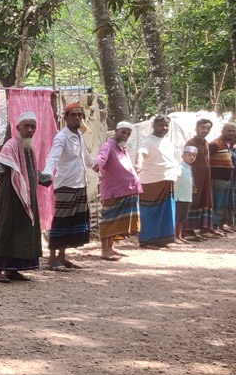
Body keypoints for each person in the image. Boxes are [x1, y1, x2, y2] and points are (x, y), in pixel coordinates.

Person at [0, 112, 52, 282]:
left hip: (27, 196)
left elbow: (30, 171)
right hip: (12, 197)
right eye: (26, 126)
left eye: (33, 127)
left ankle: (13, 269)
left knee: (23, 231)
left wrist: (44, 178)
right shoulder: (11, 145)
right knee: (7, 229)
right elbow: (2, 163)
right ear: (18, 128)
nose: (30, 130)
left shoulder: (28, 148)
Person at [43, 102, 91, 269]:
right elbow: (53, 157)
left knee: (72, 221)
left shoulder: (79, 135)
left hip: (79, 183)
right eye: (73, 115)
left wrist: (97, 165)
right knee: (61, 220)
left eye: (79, 115)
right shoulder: (61, 137)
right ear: (65, 118)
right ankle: (51, 258)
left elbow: (86, 157)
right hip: (66, 184)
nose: (77, 118)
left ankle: (62, 256)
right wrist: (48, 173)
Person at [92, 121, 142, 261]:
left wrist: (133, 167)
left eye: (128, 133)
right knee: (109, 219)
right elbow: (101, 158)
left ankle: (111, 247)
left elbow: (119, 164)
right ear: (116, 131)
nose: (125, 135)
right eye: (123, 132)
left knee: (116, 221)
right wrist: (96, 164)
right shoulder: (108, 146)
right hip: (113, 190)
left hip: (125, 189)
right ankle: (104, 250)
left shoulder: (121, 148)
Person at [133, 115, 179, 249]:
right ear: (153, 126)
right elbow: (141, 153)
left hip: (167, 179)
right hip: (152, 181)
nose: (164, 128)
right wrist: (139, 165)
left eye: (166, 125)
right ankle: (146, 240)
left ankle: (161, 239)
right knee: (150, 210)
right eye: (161, 125)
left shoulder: (167, 141)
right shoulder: (147, 141)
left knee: (166, 210)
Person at [183, 118, 217, 240]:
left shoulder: (206, 143)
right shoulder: (191, 143)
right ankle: (187, 231)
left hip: (205, 178)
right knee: (193, 201)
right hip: (194, 176)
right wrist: (191, 179)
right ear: (196, 128)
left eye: (208, 128)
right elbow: (187, 162)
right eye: (202, 127)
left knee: (205, 200)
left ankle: (203, 229)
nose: (205, 130)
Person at [207, 122, 236, 235]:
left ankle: (218, 226)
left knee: (224, 204)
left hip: (226, 180)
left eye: (233, 131)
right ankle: (212, 227)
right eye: (229, 131)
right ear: (222, 131)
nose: (231, 133)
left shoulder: (227, 145)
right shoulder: (215, 144)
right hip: (217, 179)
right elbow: (206, 160)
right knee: (217, 203)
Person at [174, 145, 196, 243]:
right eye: (189, 155)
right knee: (177, 217)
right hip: (179, 197)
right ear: (183, 156)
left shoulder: (189, 168)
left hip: (187, 197)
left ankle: (179, 236)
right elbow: (177, 176)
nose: (191, 157)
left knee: (182, 218)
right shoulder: (180, 166)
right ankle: (174, 236)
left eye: (194, 155)